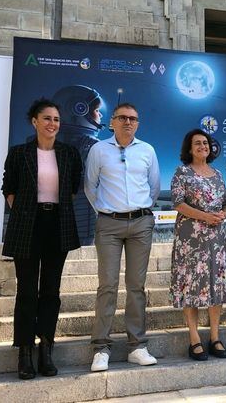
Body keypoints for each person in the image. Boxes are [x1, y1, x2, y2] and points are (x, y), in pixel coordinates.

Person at [1, 98, 83, 380]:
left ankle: (46, 348)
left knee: (51, 290)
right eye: (46, 118)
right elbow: (8, 189)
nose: (52, 124)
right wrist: (26, 212)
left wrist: (50, 209)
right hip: (27, 224)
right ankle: (24, 350)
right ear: (34, 121)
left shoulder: (69, 153)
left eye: (56, 119)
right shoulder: (19, 153)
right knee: (26, 290)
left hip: (56, 224)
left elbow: (72, 188)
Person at [84, 103, 160, 371]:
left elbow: (154, 186)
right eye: (123, 118)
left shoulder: (147, 150)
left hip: (140, 224)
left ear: (137, 124)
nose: (128, 122)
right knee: (107, 285)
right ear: (112, 122)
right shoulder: (98, 149)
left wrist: (139, 211)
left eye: (133, 118)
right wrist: (105, 212)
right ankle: (101, 348)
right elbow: (89, 186)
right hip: (109, 225)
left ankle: (137, 346)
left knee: (136, 286)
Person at [169, 129, 226, 361]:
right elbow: (178, 203)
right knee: (191, 286)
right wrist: (205, 216)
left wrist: (223, 214)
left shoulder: (216, 174)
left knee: (215, 286)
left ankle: (215, 337)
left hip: (216, 240)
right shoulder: (182, 172)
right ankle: (194, 338)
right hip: (191, 241)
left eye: (205, 143)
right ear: (189, 148)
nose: (202, 146)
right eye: (197, 143)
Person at [53, 85, 105, 245]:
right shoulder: (92, 146)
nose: (100, 115)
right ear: (80, 110)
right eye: (96, 110)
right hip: (83, 225)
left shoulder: (45, 144)